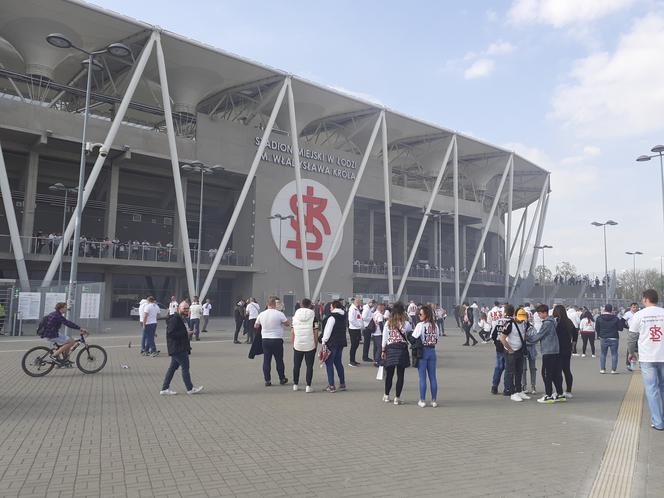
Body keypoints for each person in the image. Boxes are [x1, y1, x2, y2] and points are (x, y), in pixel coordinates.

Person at [628, 289, 664, 431]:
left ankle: (658, 421)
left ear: (644, 299)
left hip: (647, 357)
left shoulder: (639, 315)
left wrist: (631, 353)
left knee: (651, 389)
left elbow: (631, 337)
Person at [160, 300, 203, 395]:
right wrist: (185, 333)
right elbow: (171, 333)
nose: (186, 310)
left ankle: (164, 388)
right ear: (179, 308)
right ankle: (190, 389)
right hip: (178, 348)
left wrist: (187, 332)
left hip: (178, 348)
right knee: (185, 368)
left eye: (188, 308)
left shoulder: (180, 318)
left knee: (172, 369)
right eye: (184, 308)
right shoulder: (175, 319)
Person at [527, 304, 565, 403]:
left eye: (539, 313)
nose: (539, 316)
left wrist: (526, 339)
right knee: (556, 373)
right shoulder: (553, 321)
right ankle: (560, 394)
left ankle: (548, 395)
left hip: (549, 351)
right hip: (555, 350)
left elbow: (539, 335)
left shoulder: (547, 323)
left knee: (546, 374)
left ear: (545, 312)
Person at [498, 304, 530, 402]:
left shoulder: (524, 323)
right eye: (520, 317)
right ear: (515, 315)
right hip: (510, 352)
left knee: (519, 371)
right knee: (511, 372)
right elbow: (502, 338)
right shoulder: (509, 324)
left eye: (523, 318)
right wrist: (510, 349)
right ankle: (512, 392)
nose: (521, 319)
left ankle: (519, 390)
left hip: (520, 351)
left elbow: (525, 334)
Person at [255, 296, 290, 386]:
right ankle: (282, 378)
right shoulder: (279, 314)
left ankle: (267, 380)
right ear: (275, 304)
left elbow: (256, 326)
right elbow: (287, 324)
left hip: (265, 340)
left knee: (266, 360)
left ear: (267, 304)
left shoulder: (261, 314)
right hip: (277, 339)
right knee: (279, 360)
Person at [381, 302, 412, 405]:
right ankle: (397, 398)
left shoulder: (388, 323)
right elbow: (410, 336)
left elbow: (384, 338)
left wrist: (383, 350)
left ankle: (386, 395)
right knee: (400, 374)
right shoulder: (406, 324)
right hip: (402, 349)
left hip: (390, 349)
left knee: (389, 374)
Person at [412, 305, 439, 408]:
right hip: (432, 350)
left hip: (423, 351)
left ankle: (422, 400)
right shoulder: (435, 326)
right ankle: (434, 400)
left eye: (421, 314)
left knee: (422, 377)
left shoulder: (420, 325)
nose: (419, 315)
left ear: (426, 315)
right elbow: (437, 338)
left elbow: (414, 337)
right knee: (433, 377)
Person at [291, 298, 317, 393]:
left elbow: (292, 331)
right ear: (310, 305)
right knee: (309, 366)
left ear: (301, 304)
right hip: (310, 344)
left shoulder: (295, 316)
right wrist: (315, 344)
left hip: (297, 344)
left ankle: (295, 384)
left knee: (296, 365)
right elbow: (316, 331)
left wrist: (293, 343)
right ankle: (308, 386)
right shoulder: (313, 316)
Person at [320, 300, 347, 392]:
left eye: (331, 306)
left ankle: (331, 385)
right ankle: (342, 383)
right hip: (341, 342)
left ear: (334, 307)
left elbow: (327, 332)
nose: (330, 308)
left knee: (329, 363)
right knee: (338, 362)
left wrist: (323, 341)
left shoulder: (331, 318)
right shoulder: (343, 316)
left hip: (332, 343)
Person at [552, 304, 574, 398]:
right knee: (567, 370)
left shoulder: (557, 323)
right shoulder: (569, 321)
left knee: (558, 371)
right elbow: (575, 333)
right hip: (567, 348)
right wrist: (573, 344)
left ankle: (559, 391)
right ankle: (568, 391)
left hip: (558, 349)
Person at [595, 304, 623, 374]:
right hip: (614, 338)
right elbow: (620, 328)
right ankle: (613, 370)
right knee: (614, 354)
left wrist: (599, 335)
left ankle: (602, 369)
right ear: (612, 310)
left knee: (603, 354)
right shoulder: (616, 318)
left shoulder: (599, 318)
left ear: (604, 309)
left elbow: (596, 328)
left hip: (603, 338)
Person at [516, 307, 537, 395]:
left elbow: (534, 339)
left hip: (531, 349)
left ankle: (533, 385)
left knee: (533, 368)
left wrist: (525, 339)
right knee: (523, 369)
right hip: (523, 349)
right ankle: (523, 385)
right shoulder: (519, 327)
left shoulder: (532, 327)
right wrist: (526, 339)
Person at [623, 302, 640, 371]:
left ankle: (641, 363)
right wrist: (626, 327)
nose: (635, 308)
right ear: (630, 308)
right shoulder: (627, 314)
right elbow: (622, 321)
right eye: (633, 307)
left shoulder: (640, 313)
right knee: (630, 348)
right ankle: (628, 364)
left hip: (640, 333)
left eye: (636, 307)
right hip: (631, 332)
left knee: (640, 348)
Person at [347, 296, 363, 367]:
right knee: (354, 345)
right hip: (353, 329)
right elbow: (351, 320)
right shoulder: (352, 309)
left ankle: (353, 360)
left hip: (357, 329)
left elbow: (358, 318)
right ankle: (351, 361)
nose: (360, 302)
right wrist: (358, 325)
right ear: (355, 301)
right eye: (358, 300)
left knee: (356, 345)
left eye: (359, 300)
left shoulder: (356, 308)